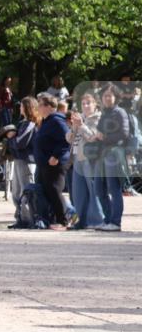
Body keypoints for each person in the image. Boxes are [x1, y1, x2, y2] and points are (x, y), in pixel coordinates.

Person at [92, 83, 130, 231]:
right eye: (104, 95)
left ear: (116, 97)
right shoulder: (104, 113)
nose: (107, 98)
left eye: (110, 95)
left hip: (113, 154)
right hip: (101, 154)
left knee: (114, 188)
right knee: (99, 189)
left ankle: (115, 222)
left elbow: (124, 134)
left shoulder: (120, 112)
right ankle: (107, 220)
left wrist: (105, 137)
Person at [32, 94, 71, 230]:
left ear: (49, 106)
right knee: (48, 191)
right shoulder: (47, 121)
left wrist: (56, 156)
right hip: (45, 164)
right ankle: (54, 219)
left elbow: (67, 139)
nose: (38, 108)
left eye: (40, 105)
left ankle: (64, 221)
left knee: (55, 190)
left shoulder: (57, 120)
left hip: (55, 163)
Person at [66, 92, 104, 230]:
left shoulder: (99, 119)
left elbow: (93, 137)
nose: (86, 106)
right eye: (83, 104)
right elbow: (68, 138)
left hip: (92, 160)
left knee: (94, 191)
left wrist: (81, 126)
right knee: (78, 193)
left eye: (89, 103)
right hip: (78, 159)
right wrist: (75, 127)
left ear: (95, 105)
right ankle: (81, 221)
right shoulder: (79, 119)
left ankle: (99, 221)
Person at [6, 97, 39, 209]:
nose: (20, 107)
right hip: (19, 160)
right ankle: (20, 216)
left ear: (27, 107)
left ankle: (30, 217)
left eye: (22, 105)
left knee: (26, 190)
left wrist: (11, 138)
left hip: (26, 161)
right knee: (16, 191)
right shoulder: (22, 123)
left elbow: (20, 143)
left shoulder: (30, 124)